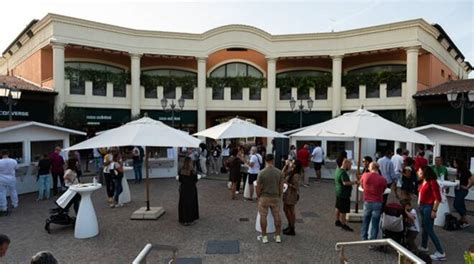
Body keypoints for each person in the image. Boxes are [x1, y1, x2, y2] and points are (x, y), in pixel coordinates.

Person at [417, 165, 446, 261]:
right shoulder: (424, 181)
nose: (418, 172)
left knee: (429, 229)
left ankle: (441, 252)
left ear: (425, 172)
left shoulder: (432, 182)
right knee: (424, 227)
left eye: (420, 171)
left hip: (428, 207)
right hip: (423, 206)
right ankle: (424, 246)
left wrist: (434, 210)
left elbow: (438, 198)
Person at [256, 154, 283, 244]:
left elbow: (258, 187)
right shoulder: (279, 172)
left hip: (264, 196)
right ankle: (278, 235)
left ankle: (264, 236)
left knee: (263, 216)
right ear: (273, 160)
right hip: (275, 197)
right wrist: (279, 196)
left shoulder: (262, 172)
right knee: (277, 216)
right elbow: (281, 186)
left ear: (265, 161)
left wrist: (258, 196)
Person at [360, 162, 387, 240]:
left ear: (370, 168)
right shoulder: (382, 179)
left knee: (365, 221)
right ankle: (372, 242)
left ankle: (363, 238)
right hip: (378, 201)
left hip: (367, 201)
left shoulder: (365, 175)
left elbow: (362, 185)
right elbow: (383, 189)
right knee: (375, 223)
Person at [334, 159, 357, 232]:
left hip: (339, 192)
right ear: (346, 164)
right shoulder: (343, 173)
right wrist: (355, 182)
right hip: (344, 194)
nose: (350, 167)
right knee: (343, 210)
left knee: (338, 207)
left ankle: (337, 220)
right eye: (350, 165)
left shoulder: (337, 170)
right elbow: (345, 183)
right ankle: (343, 224)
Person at [282, 159, 301, 236]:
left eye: (292, 163)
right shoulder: (291, 171)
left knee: (290, 210)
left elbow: (296, 187)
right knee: (286, 209)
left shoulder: (296, 175)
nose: (291, 163)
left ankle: (292, 227)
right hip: (287, 193)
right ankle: (290, 225)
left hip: (291, 194)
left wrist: (287, 183)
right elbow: (282, 174)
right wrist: (286, 166)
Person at [178, 157, 199, 226]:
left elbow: (180, 179)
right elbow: (195, 180)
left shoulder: (181, 170)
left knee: (183, 203)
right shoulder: (192, 171)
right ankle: (190, 219)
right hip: (191, 189)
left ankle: (183, 219)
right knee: (191, 203)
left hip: (184, 189)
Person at [453, 159, 473, 228]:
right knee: (461, 204)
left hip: (462, 190)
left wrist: (467, 187)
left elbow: (472, 179)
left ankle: (464, 217)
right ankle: (463, 220)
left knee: (456, 205)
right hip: (457, 189)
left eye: (455, 162)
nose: (454, 163)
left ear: (458, 163)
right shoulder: (458, 170)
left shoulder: (466, 171)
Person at [0, 150, 19, 216]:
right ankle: (15, 204)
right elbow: (17, 169)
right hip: (12, 178)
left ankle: (3, 207)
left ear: (1, 154)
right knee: (13, 191)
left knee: (2, 193)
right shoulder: (14, 161)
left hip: (2, 179)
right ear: (8, 153)